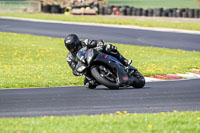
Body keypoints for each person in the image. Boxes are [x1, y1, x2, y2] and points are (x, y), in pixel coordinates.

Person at [65, 34, 132, 89]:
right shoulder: (69, 57)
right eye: (69, 46)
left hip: (94, 56)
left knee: (108, 47)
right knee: (88, 85)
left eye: (72, 45)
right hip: (86, 66)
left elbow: (97, 41)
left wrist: (99, 45)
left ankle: (124, 61)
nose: (71, 48)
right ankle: (97, 79)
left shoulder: (84, 42)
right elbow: (74, 68)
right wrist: (76, 72)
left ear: (76, 42)